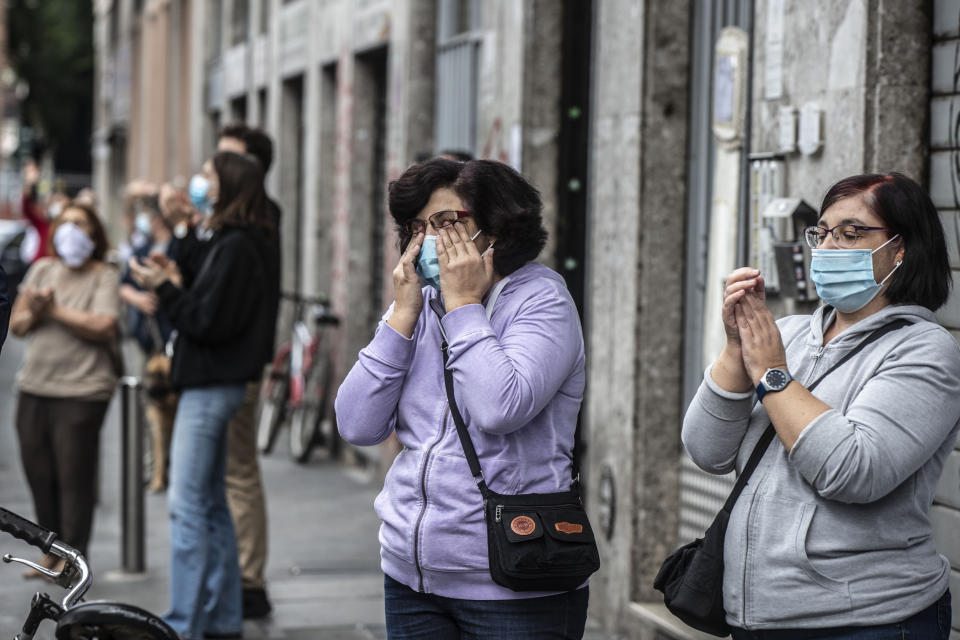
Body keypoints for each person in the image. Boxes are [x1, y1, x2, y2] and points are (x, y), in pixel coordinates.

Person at [682, 172, 959, 639]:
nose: (828, 247)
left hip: (866, 619)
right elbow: (707, 451)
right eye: (822, 232)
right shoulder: (788, 334)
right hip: (758, 617)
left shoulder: (925, 350)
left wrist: (772, 373)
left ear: (901, 248)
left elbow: (854, 470)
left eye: (851, 234)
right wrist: (736, 347)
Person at [335, 158, 589, 639]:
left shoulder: (542, 300)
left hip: (513, 577)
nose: (429, 240)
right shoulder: (420, 303)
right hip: (413, 579)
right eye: (416, 228)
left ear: (495, 227)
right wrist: (402, 317)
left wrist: (464, 306)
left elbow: (500, 407)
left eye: (448, 223)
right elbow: (356, 424)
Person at [128, 151, 274, 640]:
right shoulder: (224, 238)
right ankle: (223, 617)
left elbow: (206, 320)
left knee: (186, 505)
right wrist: (175, 260)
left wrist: (166, 291)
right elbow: (192, 270)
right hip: (211, 383)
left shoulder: (237, 246)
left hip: (211, 387)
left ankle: (183, 623)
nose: (198, 181)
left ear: (227, 186)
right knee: (210, 504)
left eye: (208, 176)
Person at [9, 201, 120, 574]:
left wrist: (54, 311)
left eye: (81, 225)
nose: (71, 231)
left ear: (95, 235)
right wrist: (36, 309)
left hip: (83, 391)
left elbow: (104, 325)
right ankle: (50, 549)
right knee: (39, 471)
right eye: (66, 224)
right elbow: (18, 325)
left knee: (74, 476)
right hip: (35, 386)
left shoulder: (103, 275)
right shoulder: (42, 269)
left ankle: (73, 558)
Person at [216, 122, 282, 619]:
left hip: (237, 367)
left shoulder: (256, 221)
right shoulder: (236, 220)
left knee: (239, 472)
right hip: (228, 366)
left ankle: (249, 579)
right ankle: (238, 574)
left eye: (228, 161)